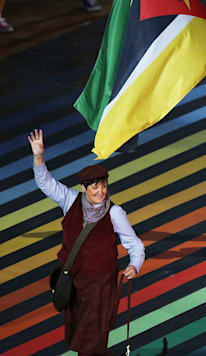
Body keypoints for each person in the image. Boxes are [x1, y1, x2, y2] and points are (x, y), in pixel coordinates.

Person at [29, 129, 144, 355]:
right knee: (81, 336)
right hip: (74, 282)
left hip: (101, 286)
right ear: (84, 188)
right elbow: (46, 183)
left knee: (92, 338)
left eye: (103, 186)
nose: (101, 192)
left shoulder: (115, 213)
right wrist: (38, 157)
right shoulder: (69, 200)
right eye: (95, 187)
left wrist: (134, 265)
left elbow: (135, 244)